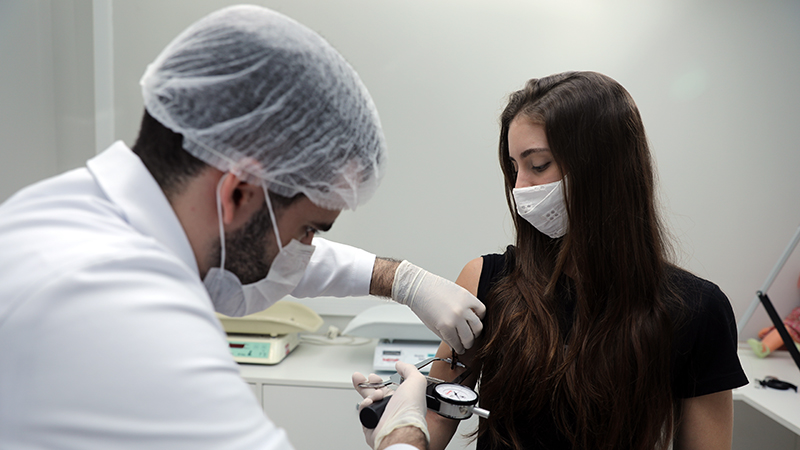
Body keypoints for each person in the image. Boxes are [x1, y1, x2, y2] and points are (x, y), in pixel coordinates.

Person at [0, 5, 483, 450]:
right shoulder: (124, 314)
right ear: (237, 192)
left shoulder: (64, 213)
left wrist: (398, 279)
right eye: (308, 232)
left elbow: (253, 246)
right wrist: (402, 437)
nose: (304, 252)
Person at [419, 71, 748, 450]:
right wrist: (398, 428)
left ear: (603, 168)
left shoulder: (697, 311)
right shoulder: (485, 282)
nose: (519, 187)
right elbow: (434, 421)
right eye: (513, 168)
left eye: (537, 164)